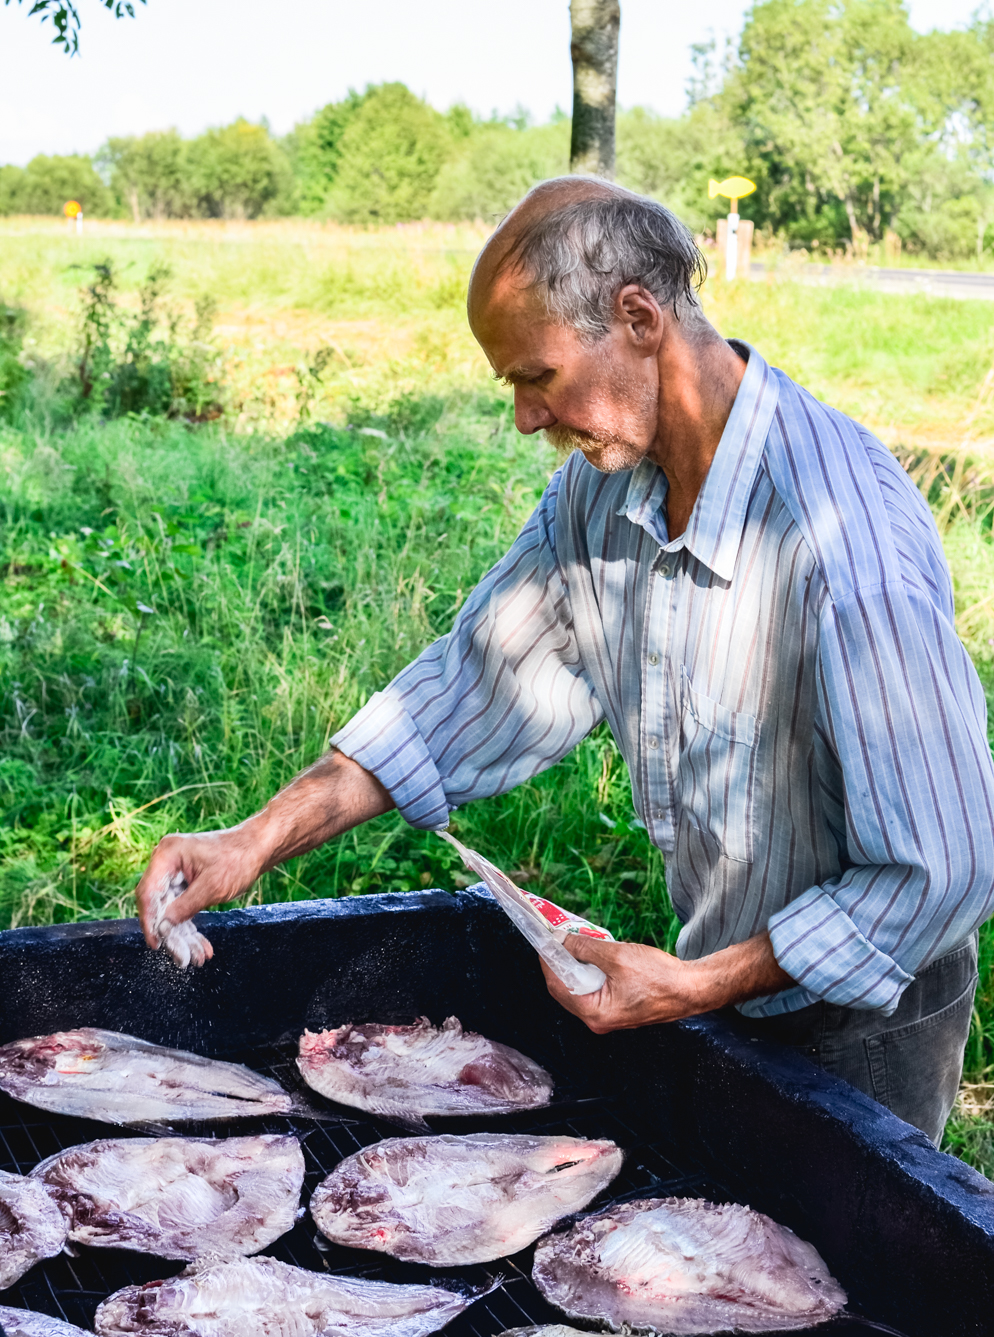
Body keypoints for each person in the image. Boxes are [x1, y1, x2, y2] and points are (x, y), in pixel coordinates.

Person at [137, 178, 994, 1146]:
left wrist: (698, 983)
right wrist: (254, 839)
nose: (524, 419)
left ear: (638, 318)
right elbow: (468, 689)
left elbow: (943, 869)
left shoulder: (842, 543)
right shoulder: (600, 495)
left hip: (871, 1013)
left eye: (533, 376)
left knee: (858, 1266)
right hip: (712, 971)